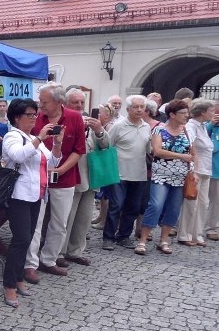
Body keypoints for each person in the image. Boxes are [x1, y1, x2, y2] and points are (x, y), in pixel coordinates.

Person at [1, 98, 62, 307]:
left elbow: (52, 162)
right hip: (19, 195)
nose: (34, 118)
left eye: (35, 114)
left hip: (36, 195)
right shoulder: (12, 136)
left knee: (26, 239)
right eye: (30, 115)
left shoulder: (32, 137)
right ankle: (8, 284)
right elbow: (18, 156)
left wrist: (57, 143)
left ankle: (18, 278)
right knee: (20, 239)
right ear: (17, 117)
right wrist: (39, 138)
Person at [22, 84, 85, 285]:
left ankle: (48, 259)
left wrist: (61, 169)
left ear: (59, 102)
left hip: (64, 178)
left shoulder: (74, 118)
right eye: (40, 101)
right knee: (36, 222)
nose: (40, 105)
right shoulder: (35, 118)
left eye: (44, 102)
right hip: (37, 178)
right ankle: (30, 264)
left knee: (59, 222)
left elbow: (78, 150)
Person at [135, 99, 196, 255]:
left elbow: (193, 154)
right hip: (161, 176)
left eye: (187, 113)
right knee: (155, 205)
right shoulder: (159, 130)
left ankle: (163, 241)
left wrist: (193, 172)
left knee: (174, 209)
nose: (186, 116)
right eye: (183, 113)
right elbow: (158, 151)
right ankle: (142, 240)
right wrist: (181, 156)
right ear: (172, 114)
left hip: (181, 177)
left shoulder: (187, 131)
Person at [60, 89, 108, 266]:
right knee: (66, 218)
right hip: (72, 175)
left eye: (82, 102)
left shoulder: (91, 121)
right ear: (65, 103)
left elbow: (106, 145)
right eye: (75, 102)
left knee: (84, 219)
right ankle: (60, 251)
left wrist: (99, 130)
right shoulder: (64, 119)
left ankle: (75, 251)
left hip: (91, 176)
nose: (80, 106)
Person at [101, 95, 151, 250]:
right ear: (128, 109)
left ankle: (124, 236)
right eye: (136, 107)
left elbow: (148, 150)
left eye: (142, 107)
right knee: (116, 205)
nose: (139, 110)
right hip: (120, 172)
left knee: (133, 207)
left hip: (139, 173)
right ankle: (108, 238)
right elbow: (108, 145)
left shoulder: (146, 127)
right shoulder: (119, 126)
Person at [177, 98, 214, 246]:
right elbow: (190, 147)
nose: (213, 113)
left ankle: (197, 234)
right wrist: (193, 170)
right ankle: (185, 234)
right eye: (211, 110)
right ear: (202, 112)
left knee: (203, 204)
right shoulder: (191, 126)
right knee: (191, 203)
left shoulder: (203, 126)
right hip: (196, 171)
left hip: (206, 170)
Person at [205, 102, 219, 242]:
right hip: (204, 167)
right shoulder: (207, 126)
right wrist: (211, 124)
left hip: (217, 169)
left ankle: (212, 227)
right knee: (194, 199)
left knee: (216, 201)